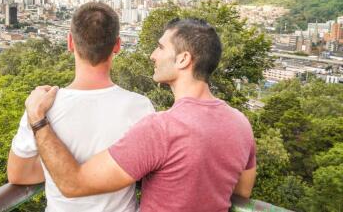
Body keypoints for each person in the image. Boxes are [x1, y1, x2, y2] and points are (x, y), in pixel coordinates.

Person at [25, 18, 257, 212]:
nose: (152, 55)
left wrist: (38, 119)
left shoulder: (162, 129)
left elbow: (72, 184)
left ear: (183, 59)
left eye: (161, 47)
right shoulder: (240, 124)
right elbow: (241, 192)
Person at [7, 2, 155, 212]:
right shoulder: (140, 108)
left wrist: (57, 167)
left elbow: (18, 175)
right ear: (117, 45)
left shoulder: (40, 107)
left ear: (70, 42)